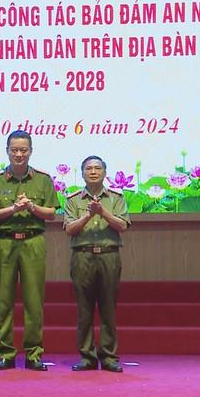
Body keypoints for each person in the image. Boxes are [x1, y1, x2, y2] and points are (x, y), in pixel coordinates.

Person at [0, 131, 58, 371]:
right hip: (4, 242)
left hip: (32, 241)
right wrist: (14, 208)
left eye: (23, 150)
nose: (19, 154)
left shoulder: (43, 179)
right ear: (7, 151)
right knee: (3, 300)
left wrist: (32, 206)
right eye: (14, 150)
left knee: (34, 300)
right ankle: (6, 353)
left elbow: (52, 213)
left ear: (31, 151)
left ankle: (33, 354)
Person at [64, 156, 130, 373]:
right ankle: (87, 357)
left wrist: (103, 212)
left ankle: (109, 356)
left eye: (97, 168)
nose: (93, 172)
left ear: (105, 172)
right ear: (82, 173)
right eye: (88, 168)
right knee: (84, 309)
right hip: (82, 257)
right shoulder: (73, 199)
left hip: (109, 256)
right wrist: (87, 216)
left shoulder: (116, 198)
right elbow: (69, 229)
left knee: (108, 308)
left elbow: (122, 225)